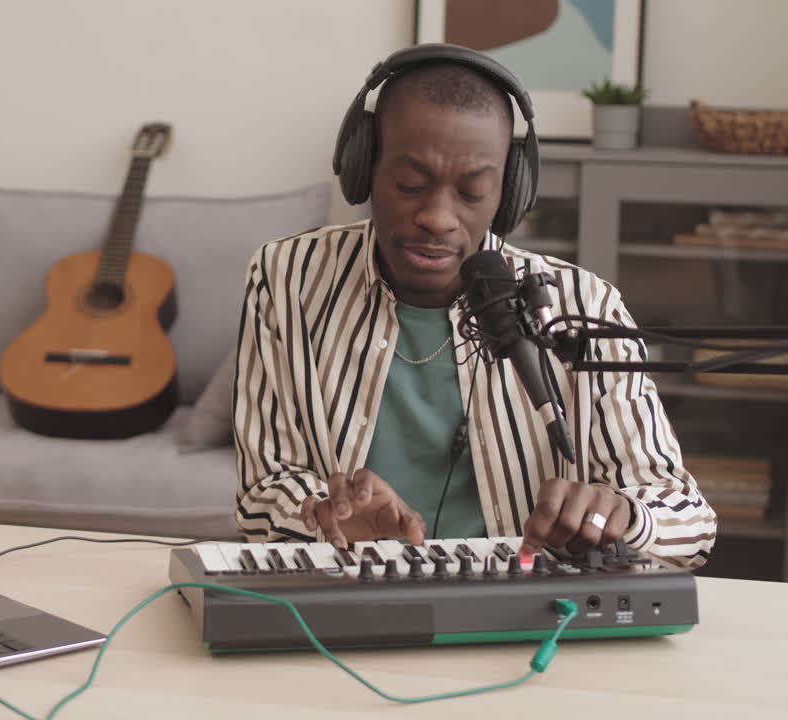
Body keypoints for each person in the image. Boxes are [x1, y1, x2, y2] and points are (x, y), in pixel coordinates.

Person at [230, 44, 717, 569]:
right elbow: (264, 488)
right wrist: (324, 516)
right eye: (410, 185)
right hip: (350, 587)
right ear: (362, 166)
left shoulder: (583, 305)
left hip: (523, 612)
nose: (438, 218)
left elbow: (687, 519)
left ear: (509, 194)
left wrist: (621, 515)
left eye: (472, 193)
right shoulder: (287, 278)